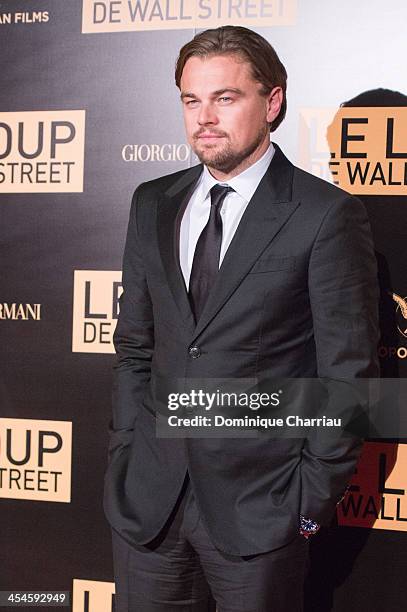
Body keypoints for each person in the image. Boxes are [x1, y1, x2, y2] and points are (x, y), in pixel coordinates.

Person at [103, 25, 379, 612]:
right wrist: (126, 452)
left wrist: (305, 511)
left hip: (262, 515)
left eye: (225, 98)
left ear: (272, 102)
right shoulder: (152, 202)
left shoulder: (324, 215)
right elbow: (134, 348)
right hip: (149, 508)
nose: (205, 117)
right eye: (191, 99)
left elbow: (348, 379)